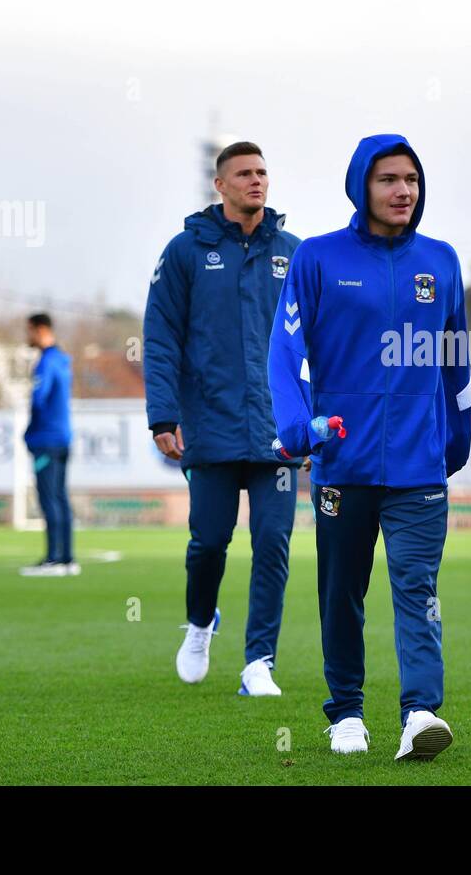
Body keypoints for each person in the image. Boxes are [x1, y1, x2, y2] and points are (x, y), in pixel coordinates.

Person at [268, 134, 471, 760]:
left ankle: (420, 713)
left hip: (419, 467)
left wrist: (456, 438)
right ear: (362, 185)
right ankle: (347, 714)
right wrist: (296, 425)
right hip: (341, 463)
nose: (403, 190)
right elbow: (285, 351)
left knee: (419, 589)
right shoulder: (318, 258)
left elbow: (457, 362)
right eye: (388, 179)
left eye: (411, 178)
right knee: (341, 592)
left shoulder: (441, 261)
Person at [144, 141, 303, 696]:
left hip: (280, 431)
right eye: (244, 173)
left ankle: (259, 661)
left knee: (273, 541)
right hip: (209, 425)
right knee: (209, 542)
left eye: (262, 171)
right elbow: (160, 339)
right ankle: (200, 624)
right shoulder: (186, 252)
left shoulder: (294, 252)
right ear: (221, 185)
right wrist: (163, 415)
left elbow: (321, 338)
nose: (256, 181)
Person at [19, 313, 78, 577]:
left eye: (29, 331)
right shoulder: (63, 360)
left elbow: (38, 401)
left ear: (40, 330)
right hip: (63, 438)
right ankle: (67, 558)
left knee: (49, 498)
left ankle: (54, 558)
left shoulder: (46, 363)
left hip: (47, 439)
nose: (27, 337)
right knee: (61, 497)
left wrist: (29, 433)